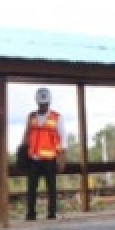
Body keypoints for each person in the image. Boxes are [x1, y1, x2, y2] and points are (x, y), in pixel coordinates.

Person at [21, 88, 67, 220]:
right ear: (37, 102)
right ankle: (30, 214)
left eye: (45, 103)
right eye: (41, 104)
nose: (43, 106)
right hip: (34, 158)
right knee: (31, 188)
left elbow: (63, 138)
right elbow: (27, 135)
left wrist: (62, 158)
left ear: (49, 102)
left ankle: (51, 213)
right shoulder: (31, 117)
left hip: (50, 158)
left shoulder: (57, 117)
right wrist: (22, 152)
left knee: (51, 187)